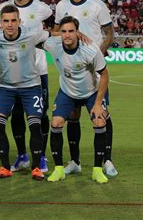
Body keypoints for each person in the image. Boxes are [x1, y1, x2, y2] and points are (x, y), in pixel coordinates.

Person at [54, 0, 117, 177]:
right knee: (73, 115)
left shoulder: (98, 5)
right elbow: (56, 32)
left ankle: (107, 160)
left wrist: (96, 54)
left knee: (102, 115)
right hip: (72, 68)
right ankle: (75, 161)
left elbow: (108, 33)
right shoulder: (62, 5)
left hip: (94, 70)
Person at [0, 4, 49, 180]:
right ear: (0, 24)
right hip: (5, 88)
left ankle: (36, 168)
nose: (10, 24)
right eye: (6, 21)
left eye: (13, 20)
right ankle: (5, 167)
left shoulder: (32, 34)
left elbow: (55, 35)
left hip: (31, 87)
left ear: (20, 21)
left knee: (35, 124)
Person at [0, 0, 53, 173]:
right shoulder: (4, 8)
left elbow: (54, 30)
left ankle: (42, 156)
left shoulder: (43, 9)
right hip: (12, 71)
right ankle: (22, 155)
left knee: (41, 115)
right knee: (17, 114)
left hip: (37, 70)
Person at [44, 16, 110, 184]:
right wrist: (53, 34)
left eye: (71, 31)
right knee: (56, 123)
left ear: (77, 32)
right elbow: (37, 36)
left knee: (100, 122)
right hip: (67, 92)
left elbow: (104, 75)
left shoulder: (90, 49)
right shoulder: (53, 45)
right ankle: (59, 169)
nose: (67, 35)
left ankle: (97, 170)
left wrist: (97, 104)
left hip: (90, 92)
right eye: (64, 31)